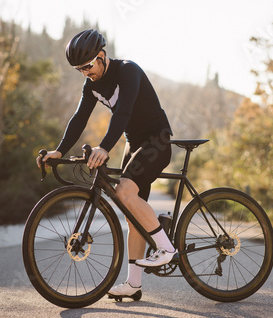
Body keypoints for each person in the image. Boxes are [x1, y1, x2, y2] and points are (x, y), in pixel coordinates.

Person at [37, 29, 176, 301]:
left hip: (157, 140)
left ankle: (166, 248)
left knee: (124, 192)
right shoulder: (91, 85)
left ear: (101, 56)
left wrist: (104, 147)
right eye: (78, 69)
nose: (85, 72)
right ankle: (133, 284)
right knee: (131, 212)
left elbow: (123, 111)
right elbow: (79, 118)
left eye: (87, 66)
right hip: (134, 144)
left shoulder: (128, 71)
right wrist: (59, 150)